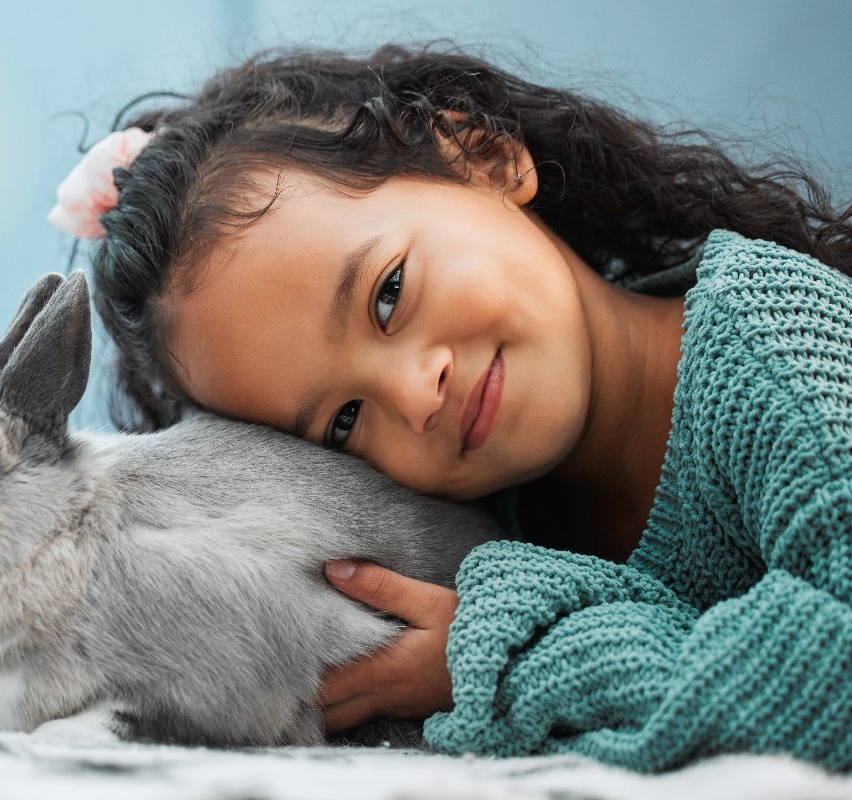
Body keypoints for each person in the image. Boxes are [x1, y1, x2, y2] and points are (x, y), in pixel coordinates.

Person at [47, 44, 852, 772]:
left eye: (389, 294)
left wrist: (514, 659)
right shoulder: (494, 519)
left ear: (484, 157)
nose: (411, 395)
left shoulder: (766, 338)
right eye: (342, 422)